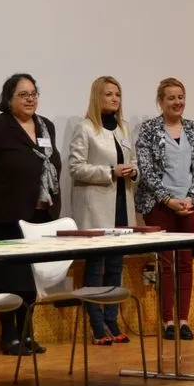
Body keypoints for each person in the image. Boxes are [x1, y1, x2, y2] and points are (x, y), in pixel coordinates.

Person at [0, 73, 62, 356]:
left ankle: (27, 331)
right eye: (23, 94)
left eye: (33, 93)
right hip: (2, 219)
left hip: (39, 218)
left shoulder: (46, 127)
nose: (30, 98)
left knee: (30, 281)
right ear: (8, 99)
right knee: (7, 280)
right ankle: (9, 335)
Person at [135, 77, 194, 340]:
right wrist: (168, 200)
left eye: (181, 97)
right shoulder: (148, 130)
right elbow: (146, 171)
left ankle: (183, 320)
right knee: (166, 264)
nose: (177, 102)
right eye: (171, 98)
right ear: (160, 101)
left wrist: (190, 197)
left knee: (186, 263)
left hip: (190, 206)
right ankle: (167, 321)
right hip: (159, 206)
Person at [69, 76, 138, 345]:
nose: (114, 99)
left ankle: (112, 319)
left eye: (118, 94)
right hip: (96, 208)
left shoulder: (123, 128)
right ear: (97, 97)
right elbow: (76, 167)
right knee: (96, 267)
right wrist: (110, 172)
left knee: (115, 266)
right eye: (109, 94)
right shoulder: (86, 128)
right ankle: (96, 325)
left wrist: (134, 171)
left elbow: (133, 162)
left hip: (122, 205)